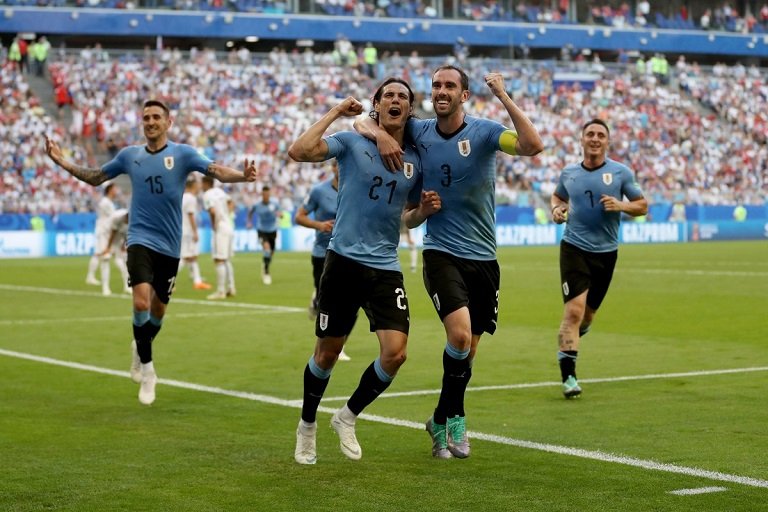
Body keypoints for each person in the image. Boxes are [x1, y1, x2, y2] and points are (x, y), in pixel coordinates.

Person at [356, 65, 544, 459]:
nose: (441, 91)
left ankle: (438, 418)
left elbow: (532, 144)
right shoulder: (418, 130)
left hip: (484, 258)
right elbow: (362, 119)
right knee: (458, 336)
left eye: (449, 86)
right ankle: (457, 419)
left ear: (464, 94)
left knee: (467, 353)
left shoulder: (487, 132)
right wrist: (379, 137)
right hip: (441, 251)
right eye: (436, 85)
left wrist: (504, 96)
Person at [44, 99, 257, 406]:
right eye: (146, 117)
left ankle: (139, 345)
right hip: (139, 238)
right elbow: (95, 177)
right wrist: (61, 161)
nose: (151, 121)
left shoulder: (182, 154)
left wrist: (242, 175)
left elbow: (214, 170)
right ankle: (148, 369)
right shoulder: (129, 156)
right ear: (141, 122)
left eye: (157, 117)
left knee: (157, 311)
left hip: (170, 245)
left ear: (168, 123)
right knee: (141, 300)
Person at [287, 77, 441, 465]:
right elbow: (299, 150)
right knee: (327, 353)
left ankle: (347, 416)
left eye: (402, 97)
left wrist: (422, 211)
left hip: (385, 266)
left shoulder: (416, 161)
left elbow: (407, 218)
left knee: (396, 353)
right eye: (388, 94)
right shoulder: (352, 141)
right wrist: (338, 110)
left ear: (409, 109)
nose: (395, 99)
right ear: (376, 103)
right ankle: (307, 425)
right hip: (343, 261)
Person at [550, 118, 647, 399]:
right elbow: (557, 197)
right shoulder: (569, 173)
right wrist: (557, 211)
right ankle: (569, 377)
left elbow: (642, 205)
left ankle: (577, 334)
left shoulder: (621, 173)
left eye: (600, 135)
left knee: (587, 316)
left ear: (607, 141)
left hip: (606, 253)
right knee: (574, 311)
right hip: (574, 248)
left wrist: (622, 205)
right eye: (590, 134)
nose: (595, 138)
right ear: (581, 140)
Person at [293, 160, 351, 361]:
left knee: (350, 300)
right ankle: (324, 343)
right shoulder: (318, 191)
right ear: (333, 168)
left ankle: (340, 345)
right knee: (327, 302)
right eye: (337, 165)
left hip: (349, 252)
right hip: (322, 252)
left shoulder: (356, 187)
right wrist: (319, 225)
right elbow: (299, 217)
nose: (340, 168)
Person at [202, 175, 237, 300]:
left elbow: (212, 211)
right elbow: (231, 202)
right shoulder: (220, 191)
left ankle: (221, 291)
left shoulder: (207, 195)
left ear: (206, 183)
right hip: (228, 225)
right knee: (226, 259)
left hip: (220, 228)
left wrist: (214, 225)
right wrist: (228, 214)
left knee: (219, 259)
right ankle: (231, 288)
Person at [178, 177, 211, 291]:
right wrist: (195, 231)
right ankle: (165, 280)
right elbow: (191, 215)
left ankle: (197, 281)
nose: (199, 187)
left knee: (191, 257)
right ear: (192, 185)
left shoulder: (182, 197)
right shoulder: (191, 198)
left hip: (181, 230)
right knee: (185, 257)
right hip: (188, 231)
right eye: (197, 185)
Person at [85, 183, 120, 288]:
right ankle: (93, 278)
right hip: (103, 231)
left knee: (98, 253)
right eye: (114, 188)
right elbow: (113, 217)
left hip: (104, 230)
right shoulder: (106, 202)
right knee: (102, 255)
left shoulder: (108, 202)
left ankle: (90, 276)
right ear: (109, 190)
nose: (116, 190)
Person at [247, 185, 281, 285]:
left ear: (269, 194)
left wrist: (280, 214)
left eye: (267, 194)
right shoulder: (257, 204)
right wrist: (249, 222)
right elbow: (251, 212)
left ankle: (265, 263)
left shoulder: (274, 203)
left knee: (271, 252)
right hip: (261, 229)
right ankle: (266, 272)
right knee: (266, 249)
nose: (266, 196)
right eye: (264, 194)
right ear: (262, 194)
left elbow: (279, 211)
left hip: (272, 229)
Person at [98, 207, 131, 296]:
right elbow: (113, 232)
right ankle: (105, 288)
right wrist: (108, 248)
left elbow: (128, 234)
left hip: (118, 236)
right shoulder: (118, 218)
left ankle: (127, 286)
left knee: (124, 260)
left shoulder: (134, 220)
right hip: (106, 234)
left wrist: (123, 246)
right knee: (106, 258)